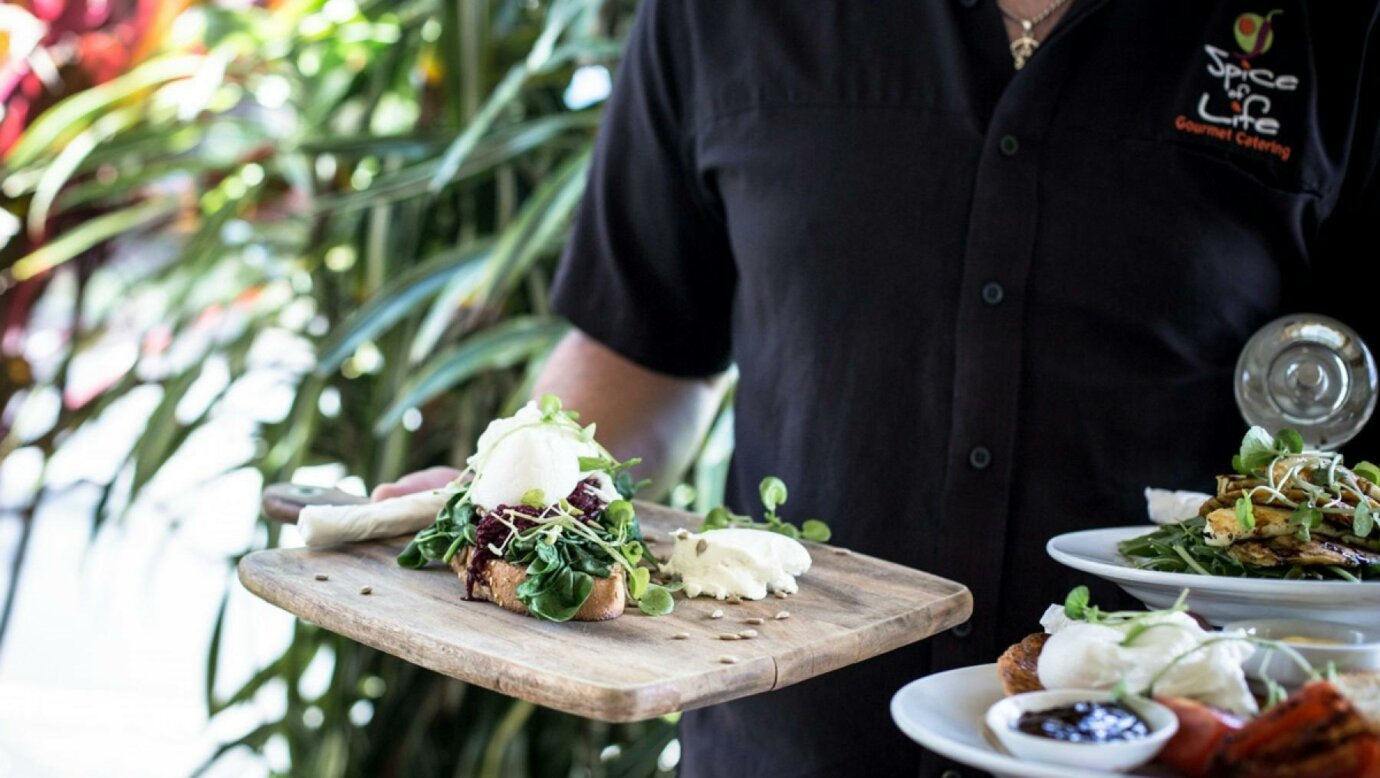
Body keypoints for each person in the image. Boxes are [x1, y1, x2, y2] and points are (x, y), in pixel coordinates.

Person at [374, 1, 1380, 775]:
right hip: (790, 747)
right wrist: (503, 504)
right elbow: (642, 353)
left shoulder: (1340, 25)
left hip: (1170, 749)